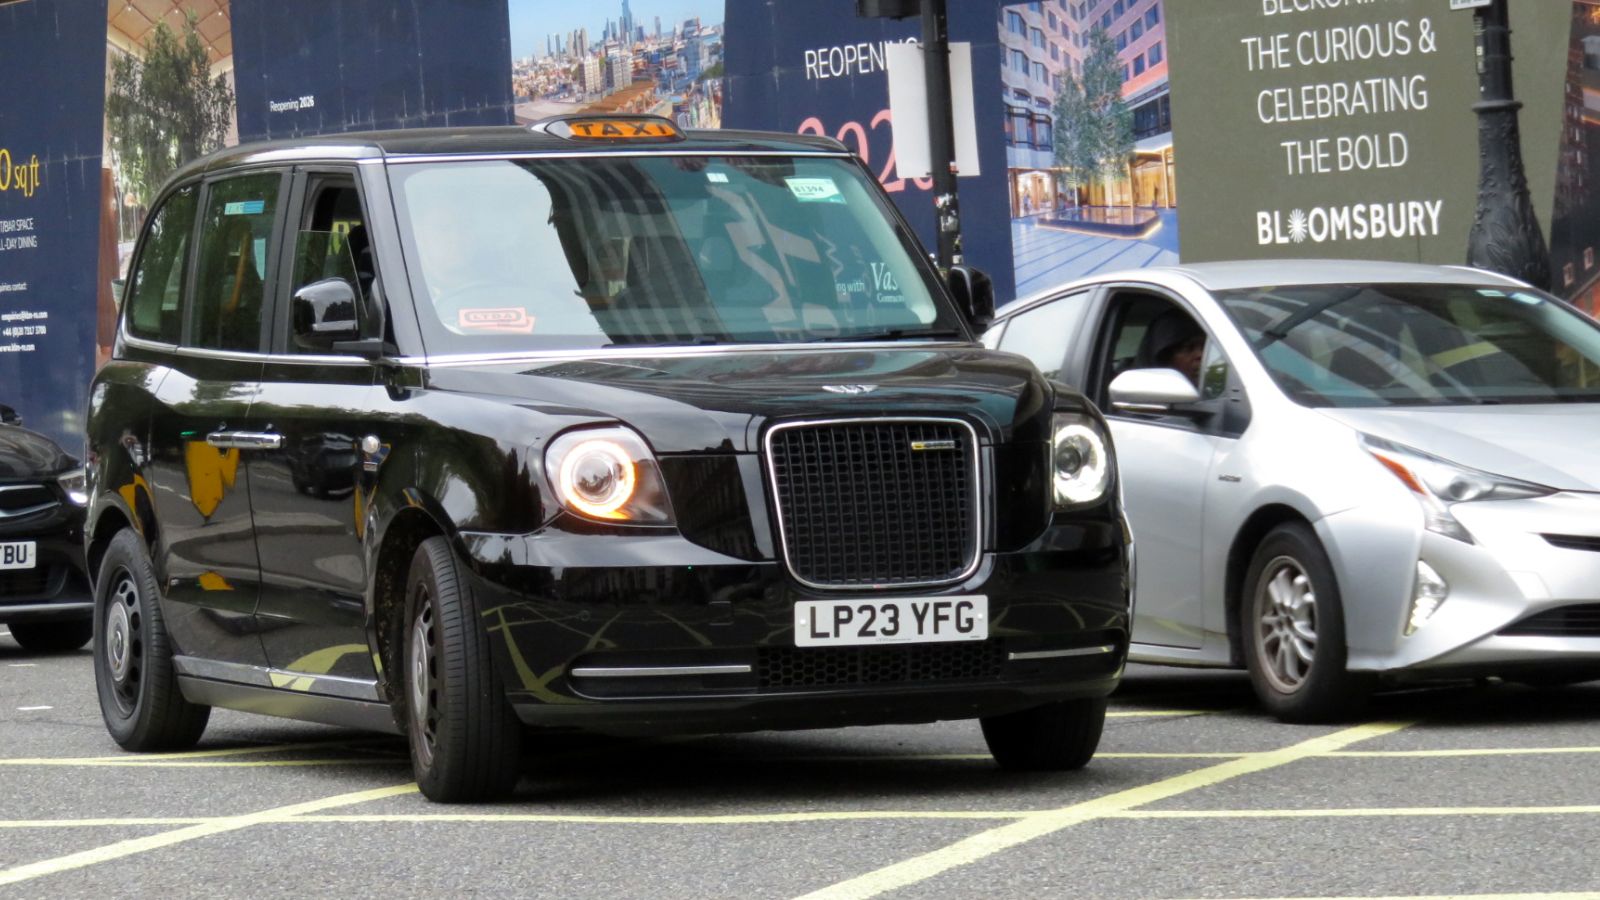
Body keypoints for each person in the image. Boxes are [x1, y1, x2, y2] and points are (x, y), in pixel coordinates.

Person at [1145, 309, 1206, 385]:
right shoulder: (1148, 392)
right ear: (1166, 359)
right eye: (1188, 348)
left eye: (1205, 348)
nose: (1200, 355)